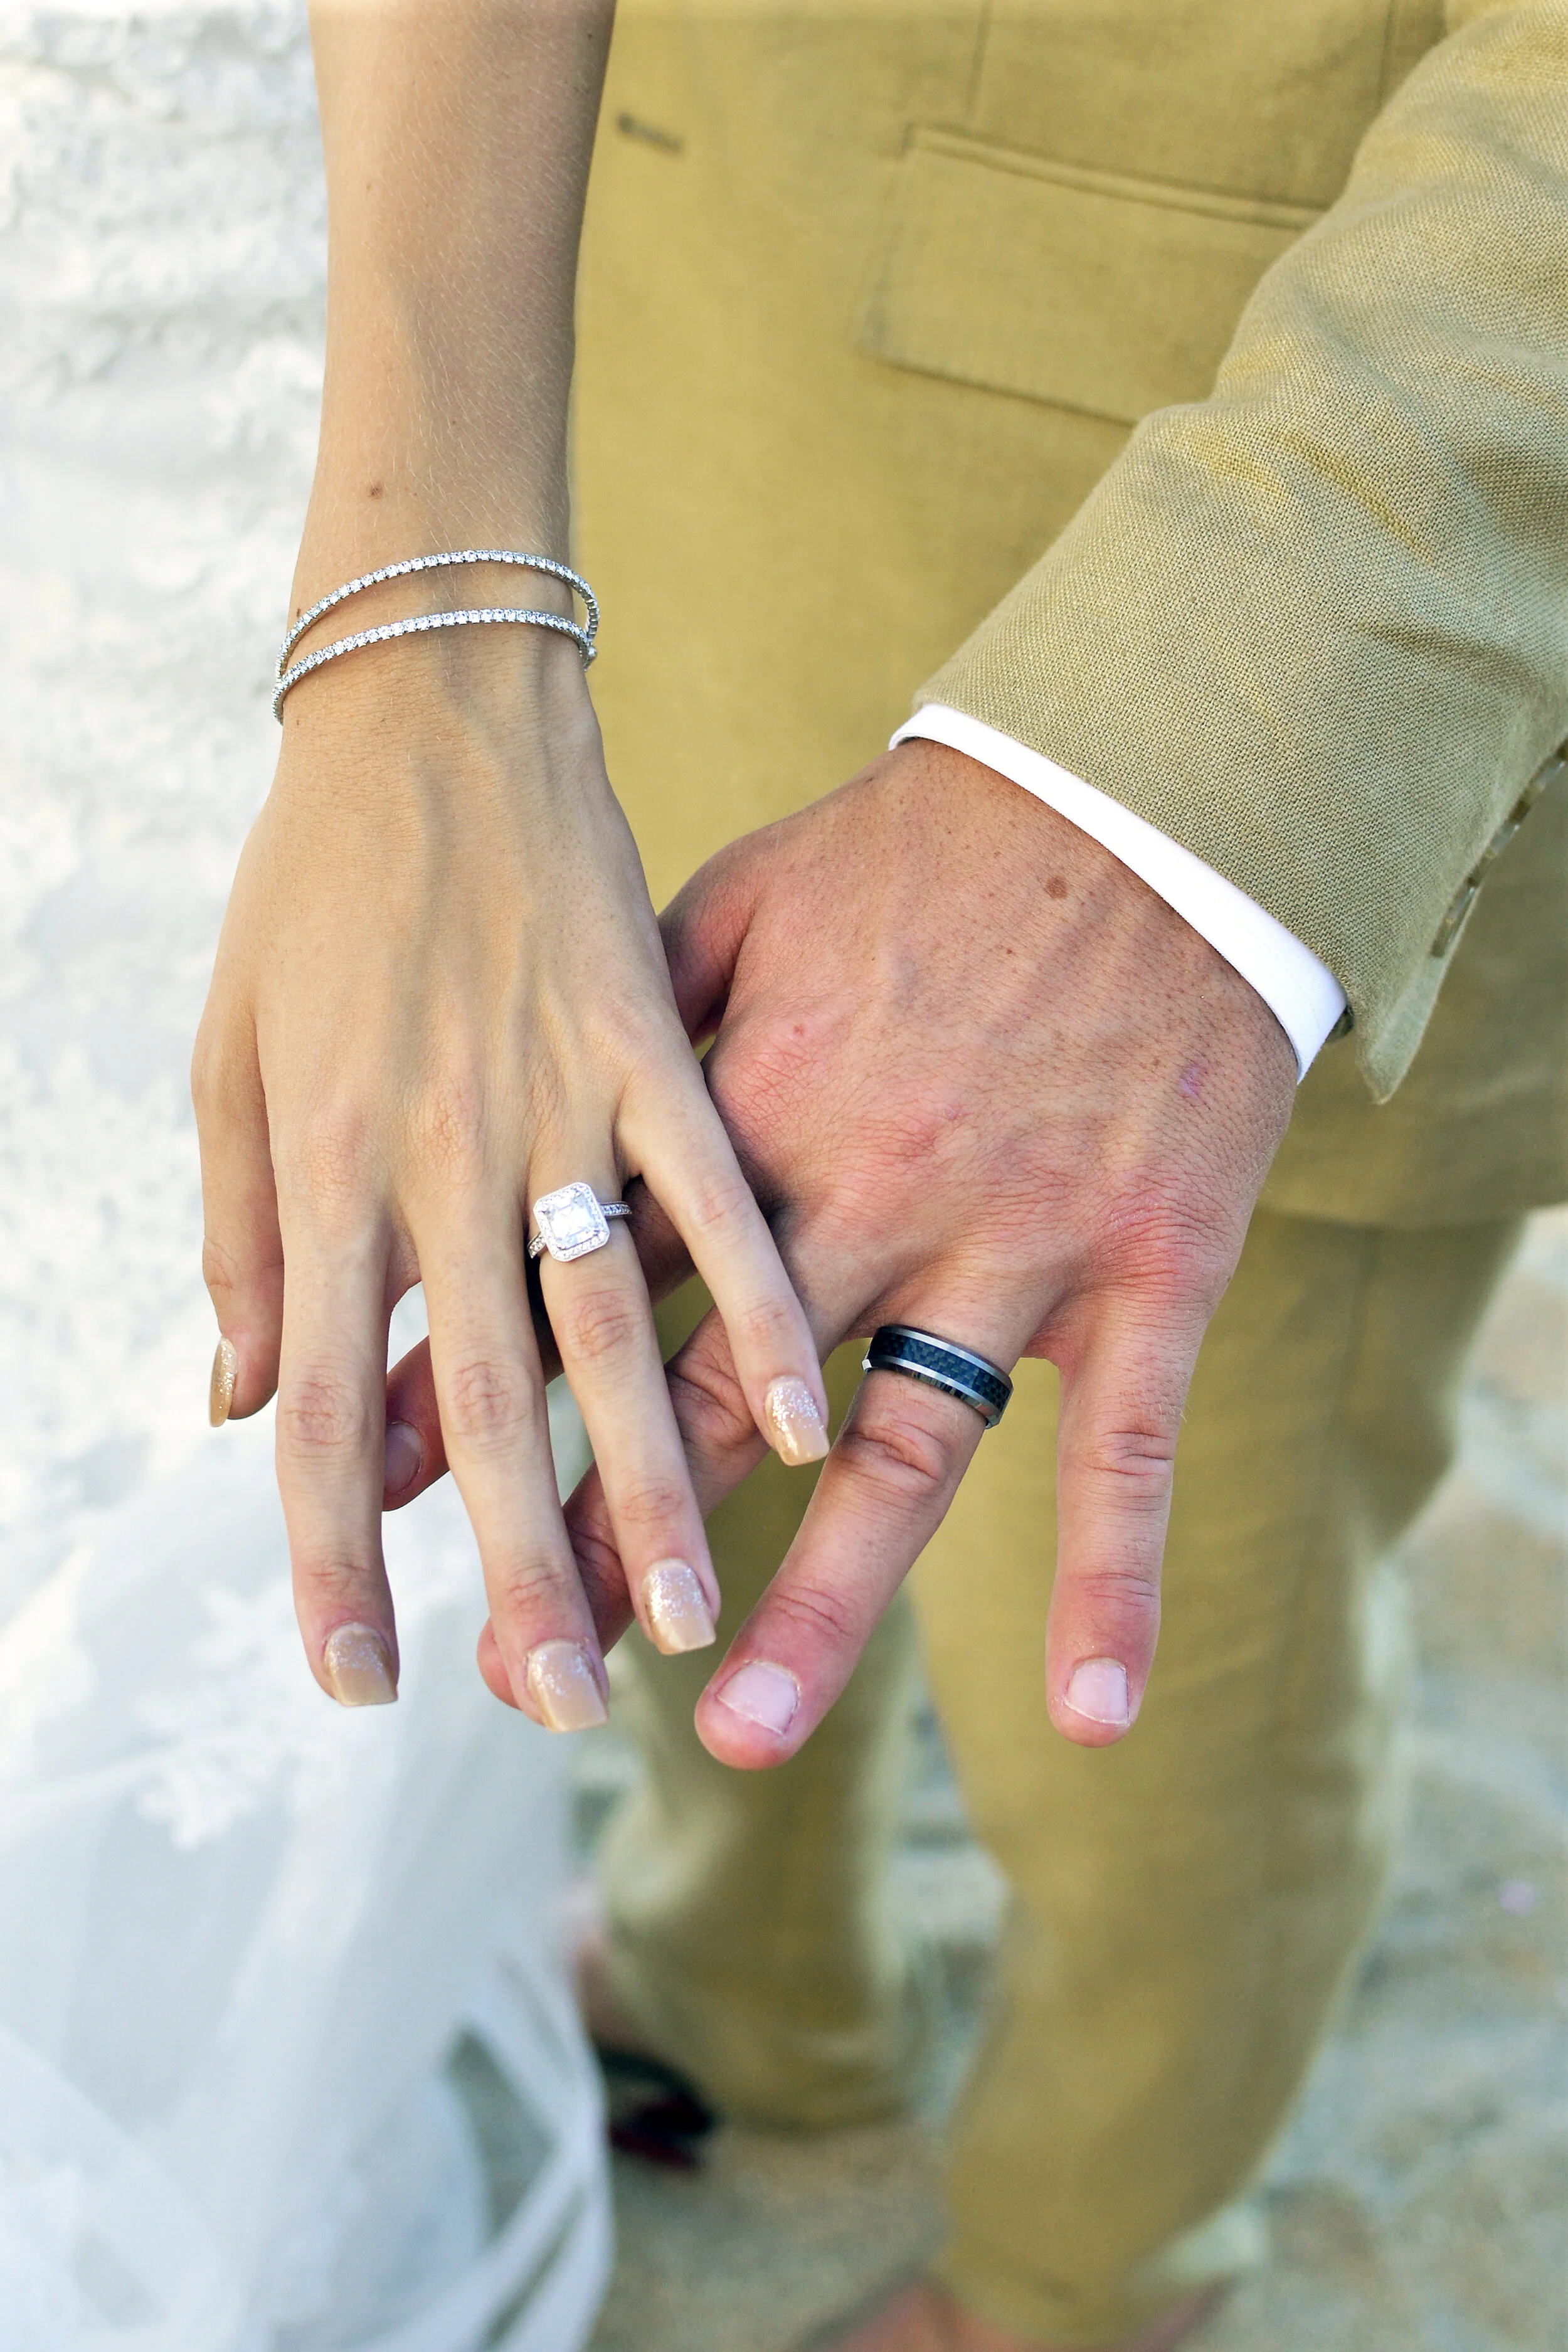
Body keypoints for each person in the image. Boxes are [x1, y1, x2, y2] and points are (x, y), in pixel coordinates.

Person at [196, 3, 1568, 2346]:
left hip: (1195, 656)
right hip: (624, 477)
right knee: (670, 1452)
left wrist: (1176, 804)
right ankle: (759, 1988)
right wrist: (431, 645)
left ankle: (1092, 2260)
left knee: (1151, 1724)